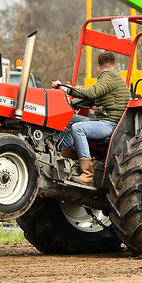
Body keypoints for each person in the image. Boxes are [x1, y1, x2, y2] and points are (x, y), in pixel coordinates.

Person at [53, 51, 131, 186]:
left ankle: (87, 174)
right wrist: (70, 104)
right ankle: (65, 158)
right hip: (103, 121)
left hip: (112, 125)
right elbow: (92, 98)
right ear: (115, 65)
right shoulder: (111, 77)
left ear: (98, 68)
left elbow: (92, 92)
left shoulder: (110, 76)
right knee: (68, 119)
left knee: (78, 128)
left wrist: (67, 89)